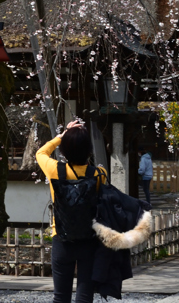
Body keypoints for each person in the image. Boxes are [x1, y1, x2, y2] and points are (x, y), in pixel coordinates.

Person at [36, 119, 108, 303]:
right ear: (88, 150)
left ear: (65, 150)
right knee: (85, 296)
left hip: (61, 237)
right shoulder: (99, 174)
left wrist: (61, 136)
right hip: (88, 240)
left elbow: (41, 152)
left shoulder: (54, 170)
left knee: (60, 297)